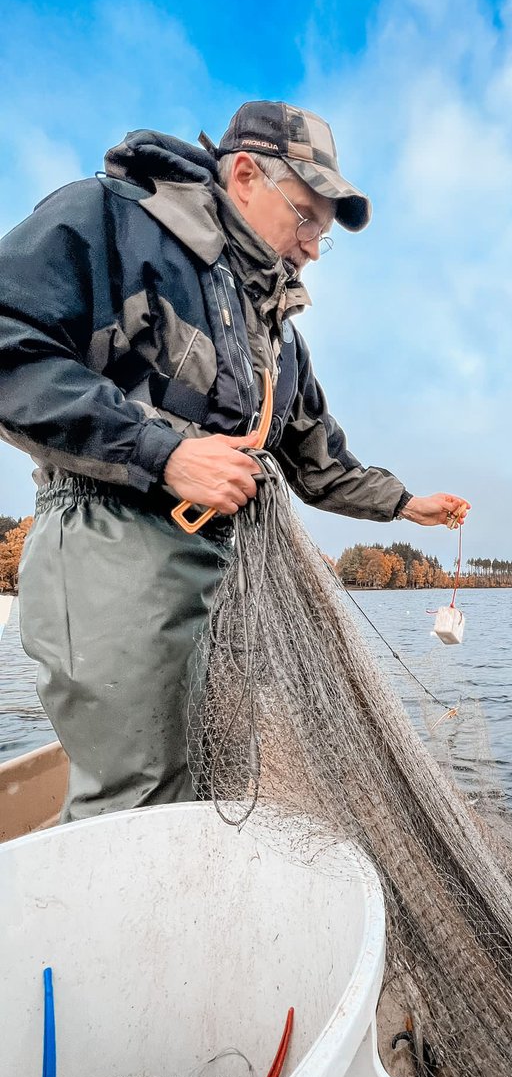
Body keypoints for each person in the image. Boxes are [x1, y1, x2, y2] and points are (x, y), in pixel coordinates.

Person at [0, 100, 468, 821]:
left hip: (225, 576)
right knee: (141, 803)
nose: (314, 245)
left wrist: (407, 505)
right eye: (307, 216)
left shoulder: (278, 334)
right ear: (245, 174)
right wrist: (165, 453)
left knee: (219, 774)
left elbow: (321, 462)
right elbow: (11, 345)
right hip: (111, 547)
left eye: (325, 233)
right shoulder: (111, 219)